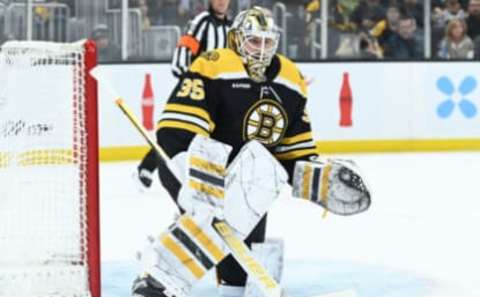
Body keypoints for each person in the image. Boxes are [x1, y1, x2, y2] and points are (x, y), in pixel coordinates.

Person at [131, 6, 370, 297]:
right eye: (254, 41)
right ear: (236, 40)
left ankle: (155, 254)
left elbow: (294, 154)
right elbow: (173, 132)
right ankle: (157, 278)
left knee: (236, 279)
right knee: (208, 226)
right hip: (196, 165)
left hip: (248, 182)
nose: (261, 49)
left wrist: (318, 180)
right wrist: (191, 178)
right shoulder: (213, 64)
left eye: (267, 42)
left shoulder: (291, 79)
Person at [135, 0, 232, 190]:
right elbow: (183, 53)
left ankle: (212, 175)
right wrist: (189, 78)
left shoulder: (231, 27)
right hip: (196, 87)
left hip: (218, 91)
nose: (222, 1)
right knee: (179, 129)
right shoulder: (202, 22)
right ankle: (147, 166)